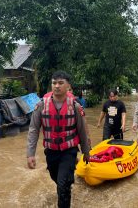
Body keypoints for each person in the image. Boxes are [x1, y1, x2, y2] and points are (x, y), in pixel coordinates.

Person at [26, 71, 90, 208]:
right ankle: (65, 182)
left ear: (68, 86)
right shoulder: (41, 105)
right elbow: (33, 129)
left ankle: (65, 185)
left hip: (69, 151)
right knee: (57, 179)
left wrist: (86, 151)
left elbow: (83, 130)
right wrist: (30, 154)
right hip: (51, 151)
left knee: (62, 186)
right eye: (54, 83)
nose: (57, 86)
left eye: (61, 83)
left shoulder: (75, 106)